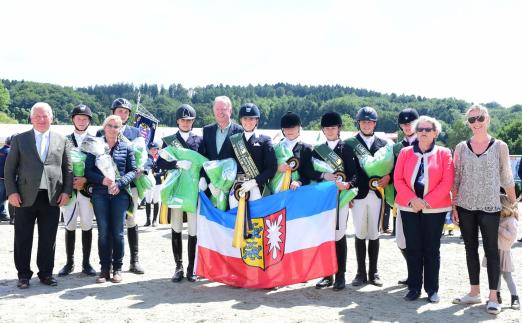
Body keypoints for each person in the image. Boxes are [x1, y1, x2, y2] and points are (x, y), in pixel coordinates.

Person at [452, 104, 517, 315]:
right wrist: (453, 205)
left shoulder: (500, 146)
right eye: (472, 120)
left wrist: (514, 204)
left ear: (487, 119)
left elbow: (507, 176)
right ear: (468, 123)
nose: (476, 123)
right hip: (465, 206)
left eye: (480, 118)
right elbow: (456, 178)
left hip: (491, 206)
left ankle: (493, 296)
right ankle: (474, 292)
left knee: (492, 251)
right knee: (470, 249)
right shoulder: (461, 147)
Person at [5, 102, 73, 289]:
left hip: (52, 197)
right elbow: (9, 169)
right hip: (24, 196)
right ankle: (23, 275)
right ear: (31, 118)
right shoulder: (20, 139)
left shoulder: (62, 140)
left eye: (45, 116)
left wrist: (67, 191)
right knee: (23, 237)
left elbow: (68, 169)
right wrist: (11, 192)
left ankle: (46, 273)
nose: (41, 120)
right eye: (37, 116)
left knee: (48, 238)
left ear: (51, 117)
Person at [394, 116, 454, 302]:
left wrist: (426, 201)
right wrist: (413, 199)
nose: (424, 132)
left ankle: (432, 289)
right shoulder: (404, 152)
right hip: (408, 206)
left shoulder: (444, 153)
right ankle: (414, 288)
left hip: (434, 209)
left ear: (435, 132)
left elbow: (447, 181)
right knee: (413, 248)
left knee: (431, 249)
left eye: (428, 129)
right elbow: (398, 179)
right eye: (420, 129)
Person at [86, 115, 136, 283]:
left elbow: (132, 171)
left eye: (116, 126)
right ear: (104, 127)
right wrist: (102, 180)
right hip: (100, 193)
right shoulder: (96, 146)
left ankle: (117, 269)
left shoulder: (127, 147)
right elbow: (88, 171)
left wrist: (120, 183)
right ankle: (104, 269)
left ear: (120, 129)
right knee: (103, 233)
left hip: (119, 195)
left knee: (118, 233)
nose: (113, 129)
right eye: (110, 125)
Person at [311, 111, 358, 291]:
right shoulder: (317, 149)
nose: (330, 130)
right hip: (323, 199)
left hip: (341, 197)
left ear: (339, 128)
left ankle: (340, 275)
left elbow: (354, 173)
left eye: (333, 127)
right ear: (323, 129)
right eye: (327, 128)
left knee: (338, 236)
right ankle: (326, 274)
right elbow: (310, 173)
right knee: (324, 235)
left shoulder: (345, 148)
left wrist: (347, 184)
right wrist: (323, 175)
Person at [157, 104, 204, 282]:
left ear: (193, 122)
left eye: (189, 120)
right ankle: (178, 266)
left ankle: (192, 268)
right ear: (177, 121)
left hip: (192, 189)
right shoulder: (168, 140)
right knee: (176, 226)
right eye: (183, 120)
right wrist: (175, 164)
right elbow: (159, 164)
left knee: (193, 228)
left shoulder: (199, 141)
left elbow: (204, 164)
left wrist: (204, 179)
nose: (186, 123)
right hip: (176, 188)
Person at [97, 98, 144, 274]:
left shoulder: (135, 132)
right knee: (108, 226)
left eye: (126, 112)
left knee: (131, 221)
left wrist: (142, 169)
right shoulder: (99, 133)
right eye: (119, 111)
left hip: (129, 184)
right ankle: (106, 264)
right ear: (113, 112)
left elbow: (144, 157)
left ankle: (134, 260)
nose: (122, 114)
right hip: (105, 187)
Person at [349, 107, 392, 287]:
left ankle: (373, 272)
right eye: (363, 121)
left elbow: (392, 167)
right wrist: (347, 194)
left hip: (376, 193)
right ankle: (360, 272)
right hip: (357, 194)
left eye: (370, 122)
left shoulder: (384, 144)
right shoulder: (349, 143)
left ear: (375, 123)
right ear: (358, 123)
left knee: (374, 233)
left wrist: (389, 177)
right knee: (359, 232)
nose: (366, 124)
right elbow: (346, 170)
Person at [58, 105, 97, 277]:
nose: (81, 121)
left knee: (87, 225)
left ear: (89, 121)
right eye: (78, 118)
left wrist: (86, 180)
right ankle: (69, 262)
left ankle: (86, 263)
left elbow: (99, 167)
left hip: (87, 191)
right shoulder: (63, 140)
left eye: (85, 118)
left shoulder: (95, 141)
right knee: (70, 225)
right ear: (73, 119)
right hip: (69, 190)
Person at [228, 103, 277, 209]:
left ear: (257, 120)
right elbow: (229, 165)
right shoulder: (235, 140)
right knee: (236, 221)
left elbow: (272, 168)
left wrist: (254, 182)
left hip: (256, 187)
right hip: (237, 186)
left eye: (251, 119)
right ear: (240, 120)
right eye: (245, 118)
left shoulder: (265, 140)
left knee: (256, 222)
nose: (248, 122)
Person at [392, 108, 419, 286]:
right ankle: (412, 272)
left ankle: (418, 276)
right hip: (401, 198)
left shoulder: (426, 142)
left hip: (421, 199)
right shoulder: (396, 147)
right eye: (404, 124)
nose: (407, 126)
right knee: (401, 240)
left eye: (410, 123)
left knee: (419, 239)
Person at [482, 195, 519, 310]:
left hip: (504, 252)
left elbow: (511, 236)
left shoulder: (511, 220)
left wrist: (499, 228)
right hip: (495, 250)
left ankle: (515, 297)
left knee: (508, 277)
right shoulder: (499, 219)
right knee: (495, 276)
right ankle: (496, 296)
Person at [276, 112, 316, 189]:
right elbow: (267, 168)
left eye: (293, 128)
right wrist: (277, 168)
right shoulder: (277, 147)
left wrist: (299, 182)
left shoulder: (307, 148)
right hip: (277, 190)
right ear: (283, 130)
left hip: (297, 190)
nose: (290, 131)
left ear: (299, 128)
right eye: (287, 128)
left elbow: (309, 174)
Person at [143, 142, 165, 227]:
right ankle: (148, 219)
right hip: (148, 182)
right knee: (148, 199)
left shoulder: (161, 158)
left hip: (158, 182)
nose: (153, 150)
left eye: (154, 149)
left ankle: (155, 220)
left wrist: (157, 174)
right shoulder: (146, 158)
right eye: (151, 149)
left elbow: (165, 171)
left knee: (156, 199)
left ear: (157, 150)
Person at [0, 136, 12, 222]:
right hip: (5, 178)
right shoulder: (10, 152)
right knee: (3, 197)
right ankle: (2, 214)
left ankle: (3, 213)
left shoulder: (1, 150)